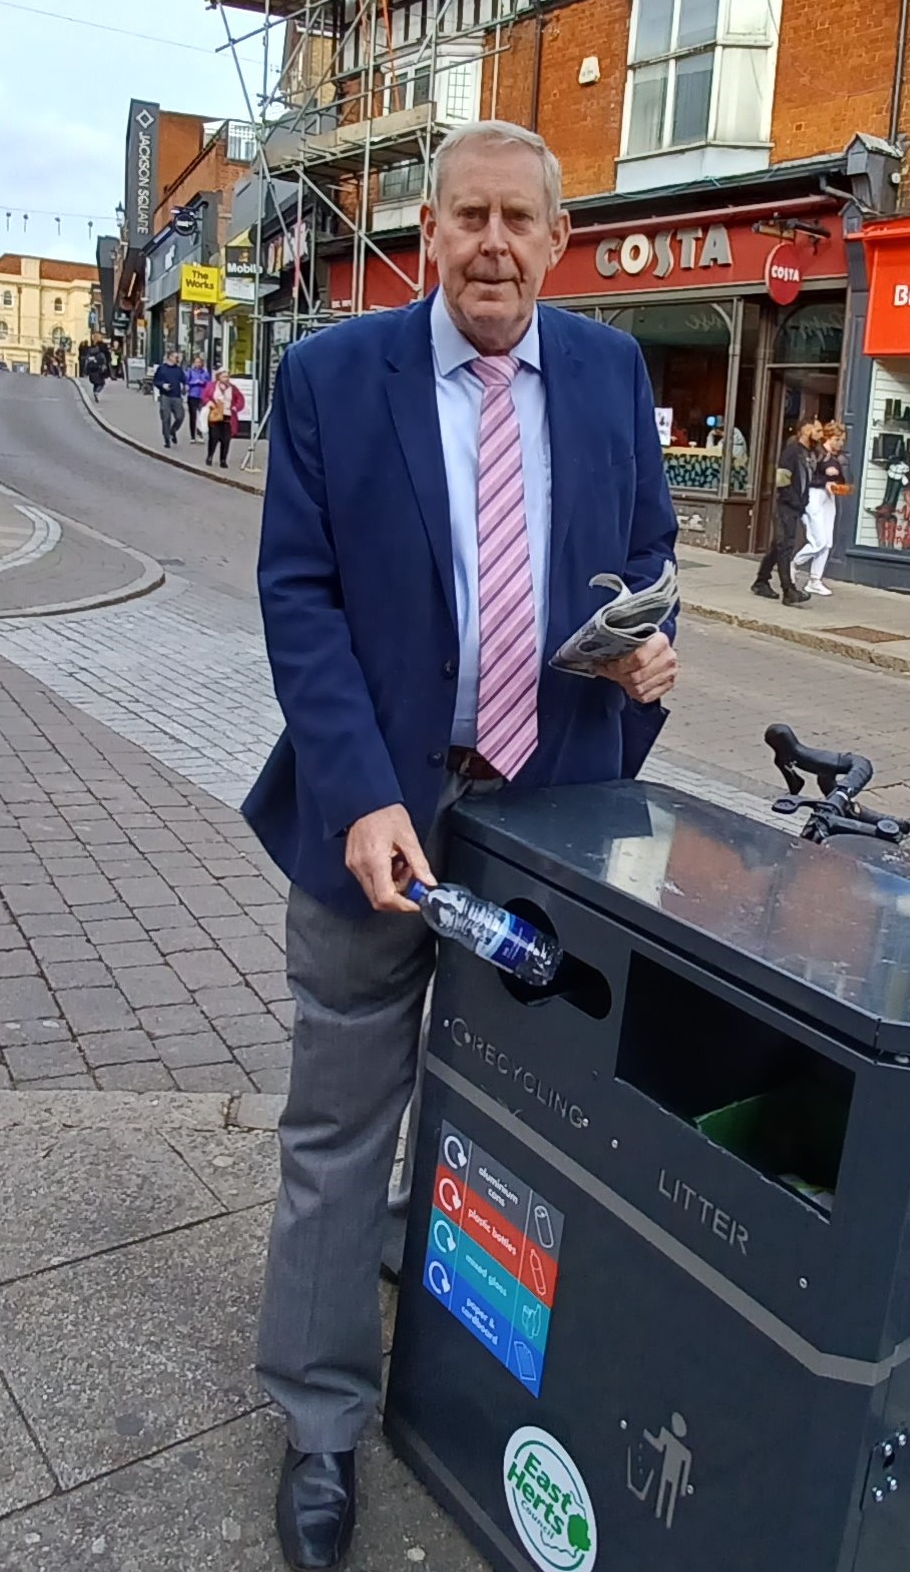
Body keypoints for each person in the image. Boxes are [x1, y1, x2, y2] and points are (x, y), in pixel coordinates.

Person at [242, 117, 678, 1572]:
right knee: (336, 1131)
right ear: (424, 233)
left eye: (519, 220)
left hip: (545, 825)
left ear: (558, 243)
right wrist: (359, 790)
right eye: (466, 216)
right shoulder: (327, 377)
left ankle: (487, 1381)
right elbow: (298, 598)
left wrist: (639, 658)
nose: (492, 243)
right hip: (379, 823)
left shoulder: (612, 376)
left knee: (518, 1137)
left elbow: (648, 567)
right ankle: (318, 1417)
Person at [752, 418, 821, 606]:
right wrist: (795, 501)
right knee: (786, 546)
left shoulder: (810, 453)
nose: (820, 433)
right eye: (817, 429)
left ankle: (761, 581)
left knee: (779, 545)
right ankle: (788, 590)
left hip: (796, 506)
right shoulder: (792, 452)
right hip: (786, 506)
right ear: (805, 430)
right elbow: (782, 481)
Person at [794, 421, 849, 597]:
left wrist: (837, 483)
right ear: (829, 437)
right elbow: (807, 477)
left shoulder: (835, 458)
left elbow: (840, 479)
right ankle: (794, 563)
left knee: (827, 542)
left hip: (828, 498)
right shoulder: (818, 455)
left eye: (842, 440)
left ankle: (815, 580)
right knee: (818, 540)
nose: (840, 443)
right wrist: (826, 481)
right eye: (837, 439)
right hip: (814, 497)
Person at [203, 369, 244, 468]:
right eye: (224, 376)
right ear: (219, 377)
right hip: (215, 414)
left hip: (228, 416)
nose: (226, 379)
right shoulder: (212, 386)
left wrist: (236, 407)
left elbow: (240, 399)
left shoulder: (232, 388)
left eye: (227, 377)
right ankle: (210, 456)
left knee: (226, 439)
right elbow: (205, 397)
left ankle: (223, 460)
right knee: (214, 437)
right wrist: (210, 404)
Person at [151, 350, 186, 447]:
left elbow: (184, 380)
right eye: (175, 357)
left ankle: (173, 430)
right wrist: (163, 385)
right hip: (165, 396)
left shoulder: (178, 369)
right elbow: (155, 381)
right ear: (169, 357)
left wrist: (185, 386)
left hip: (176, 396)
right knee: (166, 418)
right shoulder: (162, 369)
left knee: (180, 416)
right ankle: (166, 439)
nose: (177, 359)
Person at [185, 352, 211, 441]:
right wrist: (194, 382)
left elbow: (209, 383)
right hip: (192, 395)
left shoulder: (205, 373)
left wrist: (203, 383)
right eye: (196, 362)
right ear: (193, 363)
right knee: (193, 416)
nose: (198, 364)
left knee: (202, 415)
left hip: (202, 396)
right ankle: (192, 436)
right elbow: (186, 382)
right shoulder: (190, 372)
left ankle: (199, 433)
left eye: (199, 362)